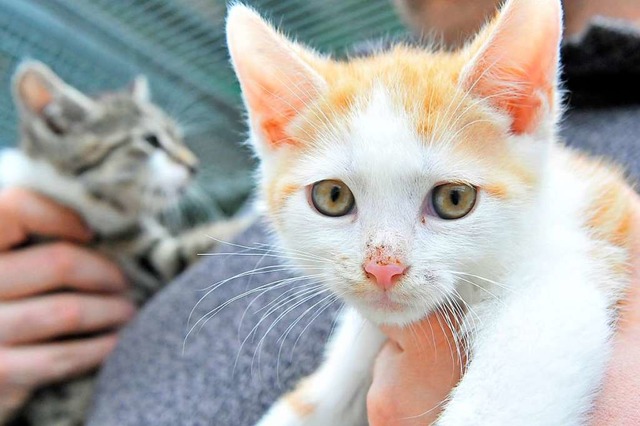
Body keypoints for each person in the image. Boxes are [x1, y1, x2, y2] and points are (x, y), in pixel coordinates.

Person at [0, 1, 638, 425]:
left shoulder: (550, 195)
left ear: (526, 110)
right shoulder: (347, 95)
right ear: (273, 125)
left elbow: (558, 316)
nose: (381, 268)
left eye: (451, 198)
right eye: (335, 199)